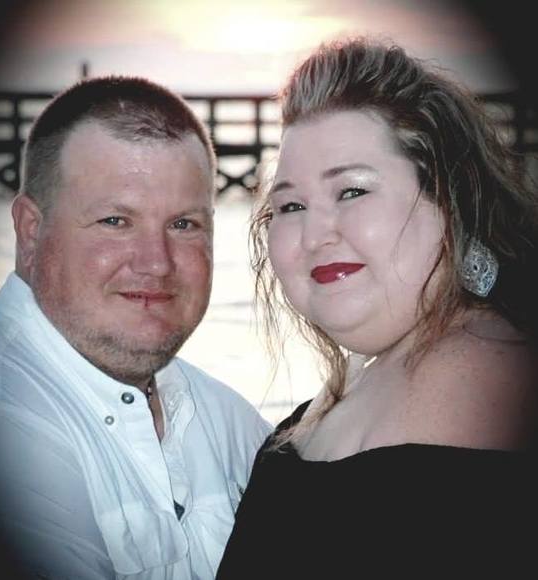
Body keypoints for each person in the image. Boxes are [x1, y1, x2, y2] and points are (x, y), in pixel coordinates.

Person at [216, 37, 538, 579]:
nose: (315, 234)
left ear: (448, 198)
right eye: (290, 205)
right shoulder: (376, 367)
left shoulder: (482, 375)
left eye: (352, 191)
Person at [0, 75, 271, 579]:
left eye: (184, 224)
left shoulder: (224, 417)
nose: (156, 263)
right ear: (31, 232)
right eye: (115, 221)